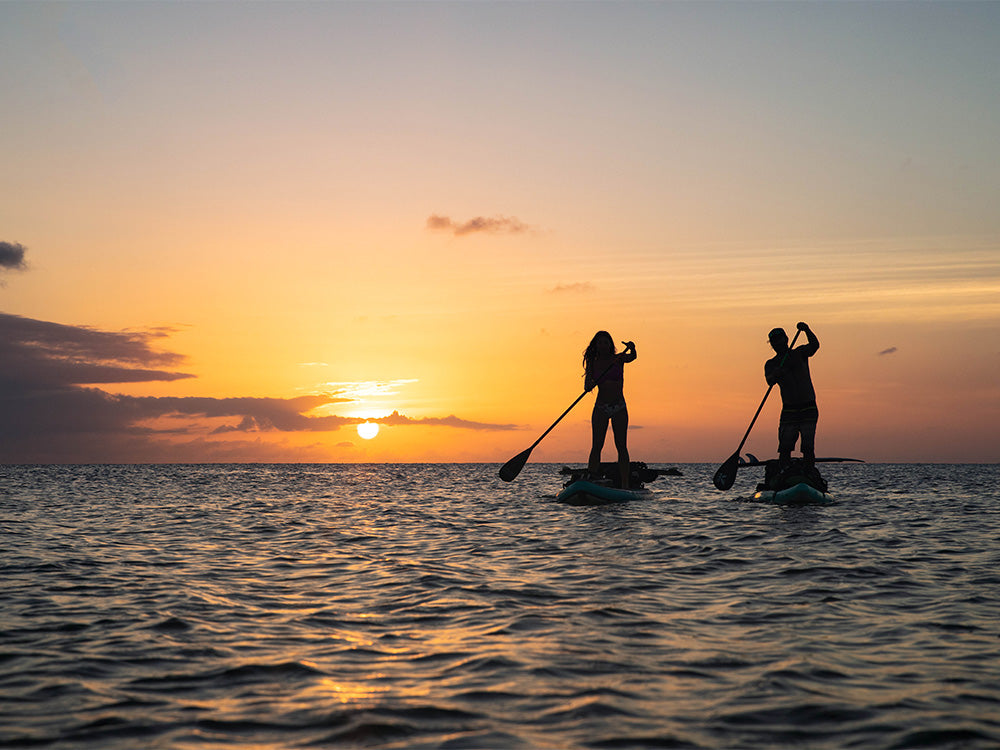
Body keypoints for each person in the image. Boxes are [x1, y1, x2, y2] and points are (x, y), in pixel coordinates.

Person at [583, 331, 637, 488]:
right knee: (596, 445)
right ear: (596, 346)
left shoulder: (618, 359)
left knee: (621, 446)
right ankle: (591, 479)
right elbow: (587, 385)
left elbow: (633, 357)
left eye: (605, 343)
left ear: (610, 345)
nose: (603, 345)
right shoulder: (593, 362)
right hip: (601, 407)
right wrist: (589, 386)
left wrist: (632, 348)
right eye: (599, 343)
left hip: (619, 406)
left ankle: (625, 483)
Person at [765, 322, 820, 471]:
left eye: (780, 339)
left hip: (808, 407)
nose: (778, 343)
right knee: (785, 447)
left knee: (807, 447)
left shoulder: (800, 353)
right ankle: (784, 472)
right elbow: (769, 381)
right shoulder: (771, 363)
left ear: (786, 339)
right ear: (772, 345)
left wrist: (807, 330)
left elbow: (815, 345)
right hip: (789, 410)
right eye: (775, 341)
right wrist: (775, 374)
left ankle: (808, 472)